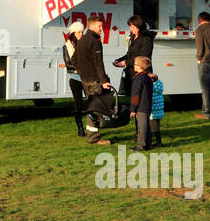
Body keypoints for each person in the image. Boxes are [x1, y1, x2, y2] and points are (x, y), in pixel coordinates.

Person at [74, 15, 114, 144]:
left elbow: (74, 59)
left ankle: (91, 134)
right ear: (91, 26)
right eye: (99, 26)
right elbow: (99, 64)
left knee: (91, 106)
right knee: (95, 108)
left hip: (85, 80)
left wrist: (82, 73)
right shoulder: (95, 42)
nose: (101, 29)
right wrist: (104, 81)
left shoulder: (82, 40)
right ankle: (94, 138)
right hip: (94, 80)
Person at [113, 15, 155, 88]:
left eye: (132, 27)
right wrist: (119, 60)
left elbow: (143, 58)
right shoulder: (133, 37)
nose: (130, 29)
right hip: (132, 74)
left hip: (142, 74)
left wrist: (125, 62)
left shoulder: (146, 39)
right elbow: (129, 54)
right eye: (130, 26)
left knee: (140, 97)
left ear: (139, 26)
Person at [62, 21, 86, 136]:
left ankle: (92, 126)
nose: (81, 34)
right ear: (73, 33)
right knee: (78, 104)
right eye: (79, 32)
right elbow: (68, 63)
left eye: (82, 32)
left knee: (92, 101)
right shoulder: (67, 46)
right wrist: (81, 65)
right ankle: (80, 128)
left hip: (86, 77)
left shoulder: (84, 44)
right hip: (75, 77)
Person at [129, 55, 154, 150]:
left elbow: (136, 95)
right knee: (146, 126)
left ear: (141, 66)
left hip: (140, 107)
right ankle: (148, 144)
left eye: (135, 64)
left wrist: (133, 109)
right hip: (147, 105)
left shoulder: (138, 79)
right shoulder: (147, 77)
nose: (134, 66)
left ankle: (141, 145)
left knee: (142, 127)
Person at [148, 63, 164, 147]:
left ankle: (158, 143)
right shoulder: (159, 85)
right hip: (158, 111)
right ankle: (158, 142)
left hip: (153, 112)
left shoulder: (152, 88)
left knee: (153, 129)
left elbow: (151, 100)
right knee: (156, 128)